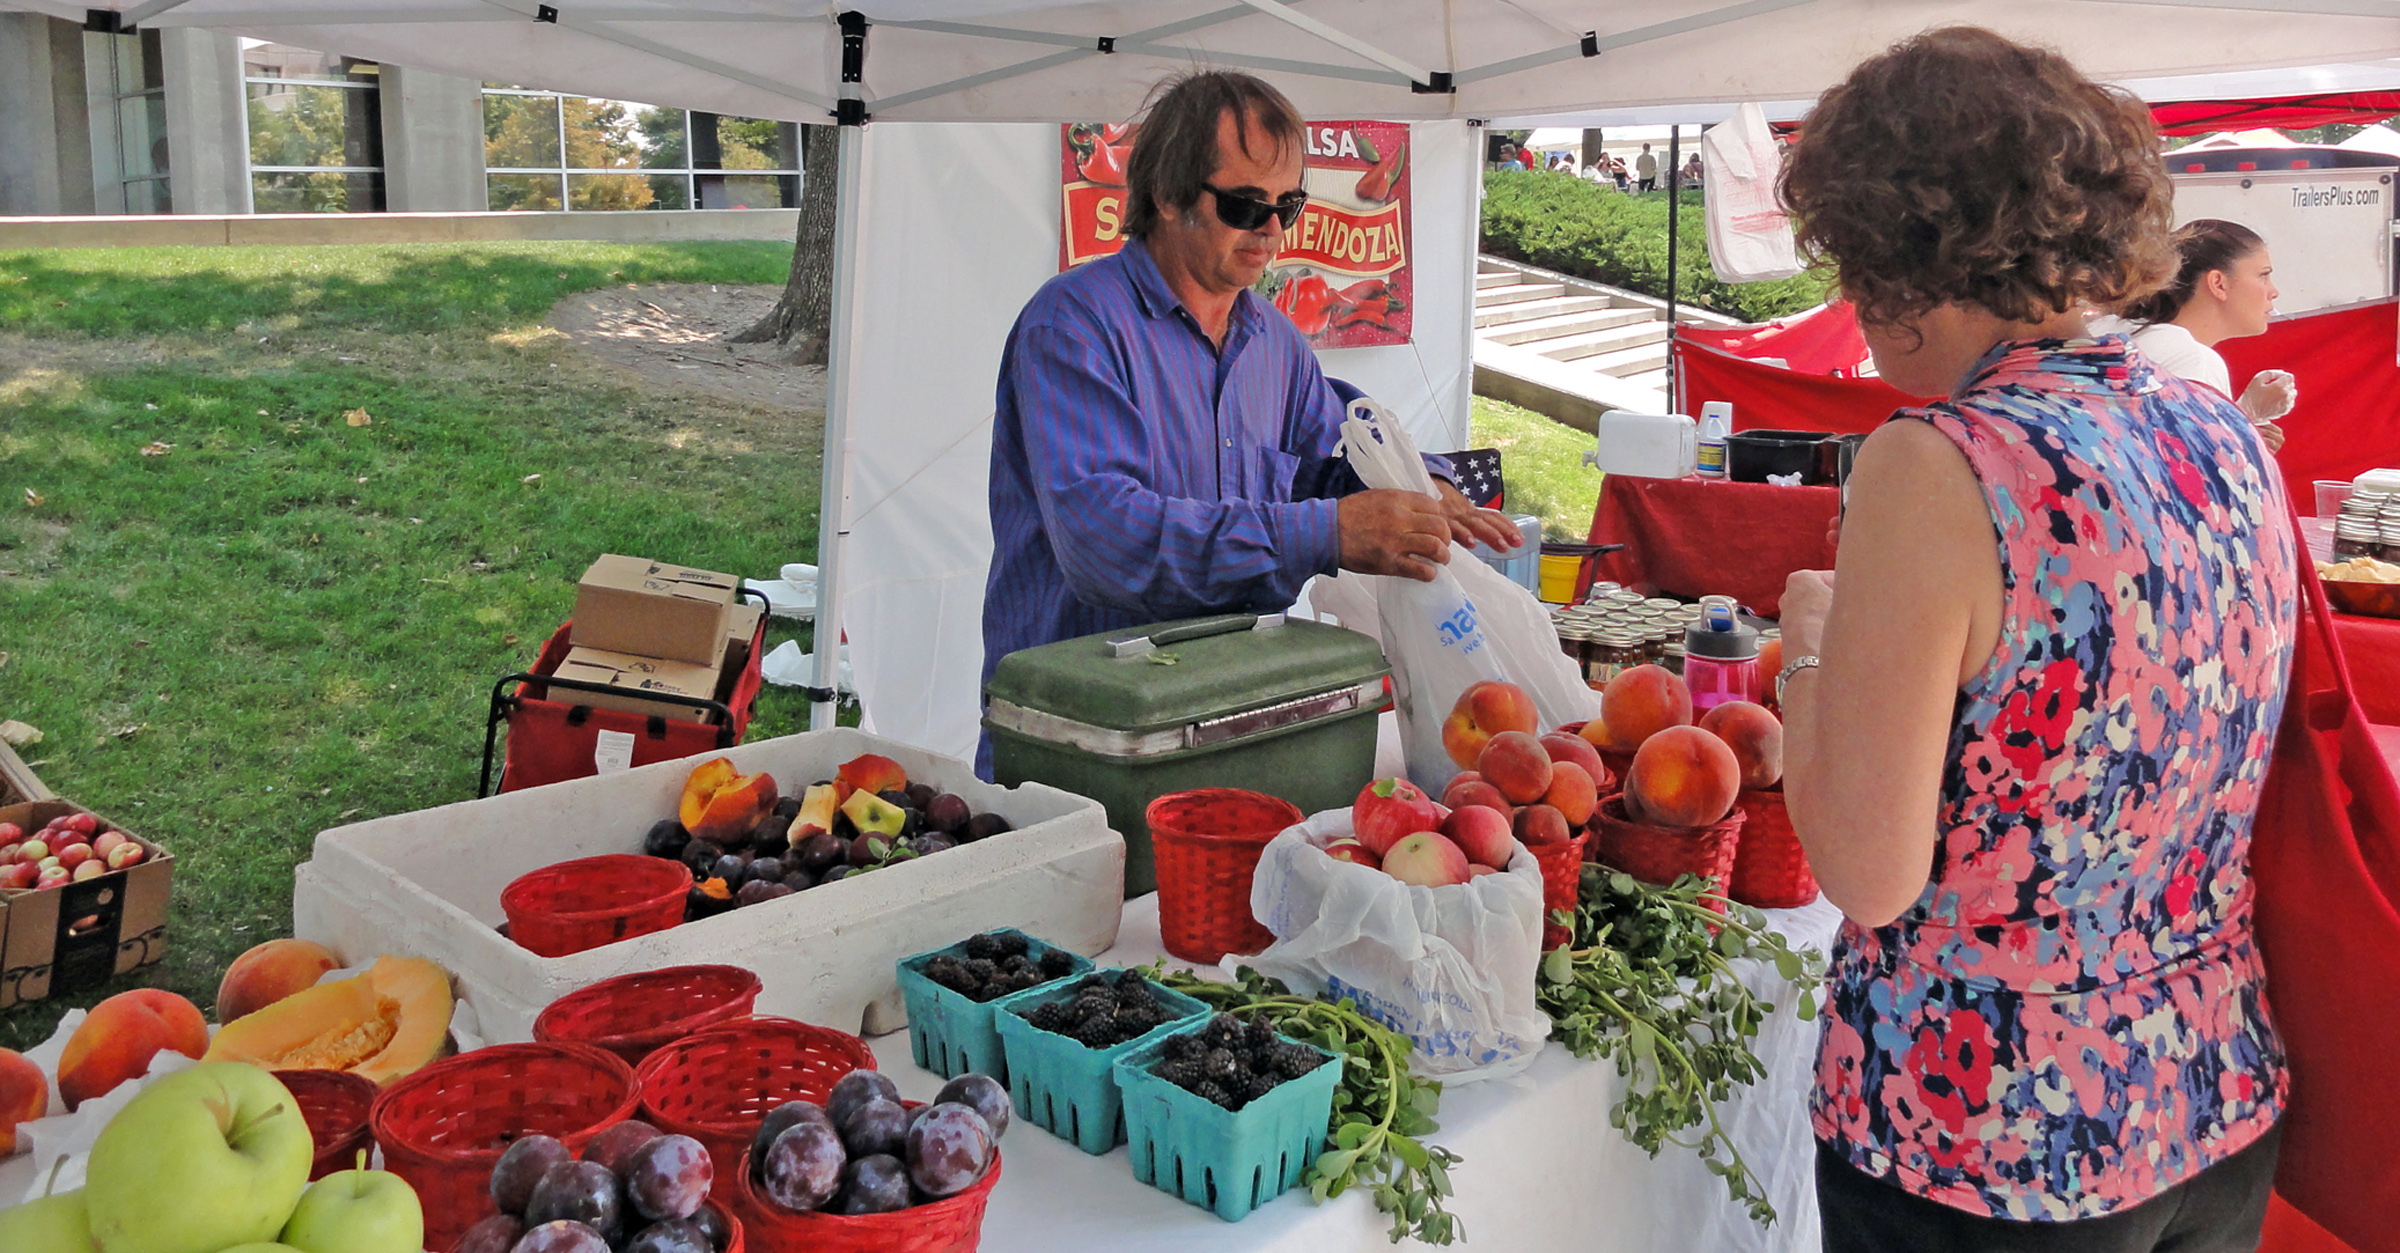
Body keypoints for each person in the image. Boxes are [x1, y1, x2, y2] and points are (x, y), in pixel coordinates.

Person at [1774, 27, 2294, 1252]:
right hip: (2209, 1099)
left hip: (1988, 1134)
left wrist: (1808, 645)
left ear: (1903, 254)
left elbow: (1866, 865)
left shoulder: (1940, 460)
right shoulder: (2215, 422)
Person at [983, 71, 1521, 775]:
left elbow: (1331, 453)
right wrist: (1328, 533)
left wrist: (1419, 485)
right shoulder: (1074, 327)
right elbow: (1104, 541)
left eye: (1287, 204)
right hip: (1084, 745)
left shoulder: (1273, 343)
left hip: (1228, 722)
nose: (1271, 228)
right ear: (1167, 195)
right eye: (1244, 203)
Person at [2100, 219, 2295, 451]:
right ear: (2218, 284)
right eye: (2263, 275)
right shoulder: (2194, 359)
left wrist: (2244, 424)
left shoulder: (2109, 326)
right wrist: (2246, 418)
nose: (2274, 292)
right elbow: (2201, 468)